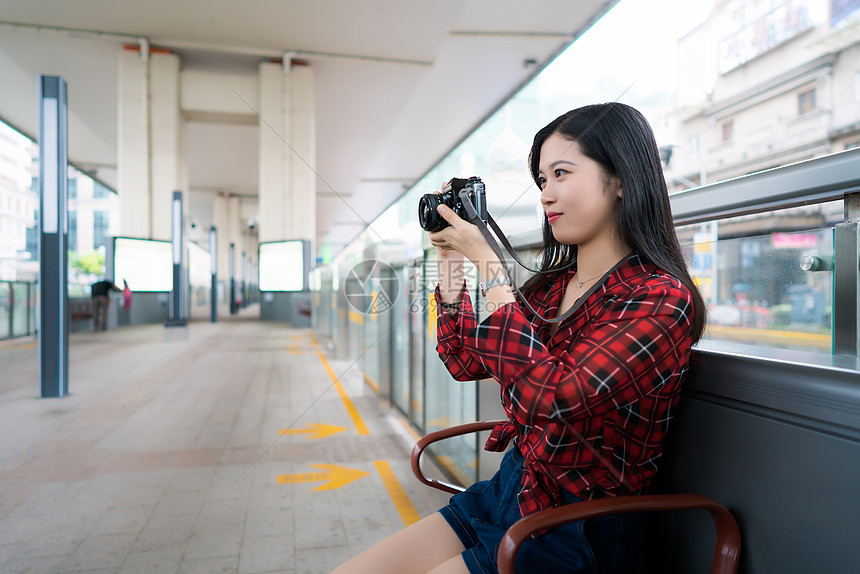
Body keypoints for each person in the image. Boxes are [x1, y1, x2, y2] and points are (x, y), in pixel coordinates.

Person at [331, 103, 706, 574]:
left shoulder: (659, 298)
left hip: (577, 529)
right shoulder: (553, 287)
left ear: (621, 180)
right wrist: (450, 257)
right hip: (511, 493)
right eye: (542, 180)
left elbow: (550, 398)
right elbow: (463, 361)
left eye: (562, 173)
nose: (547, 194)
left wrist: (490, 266)